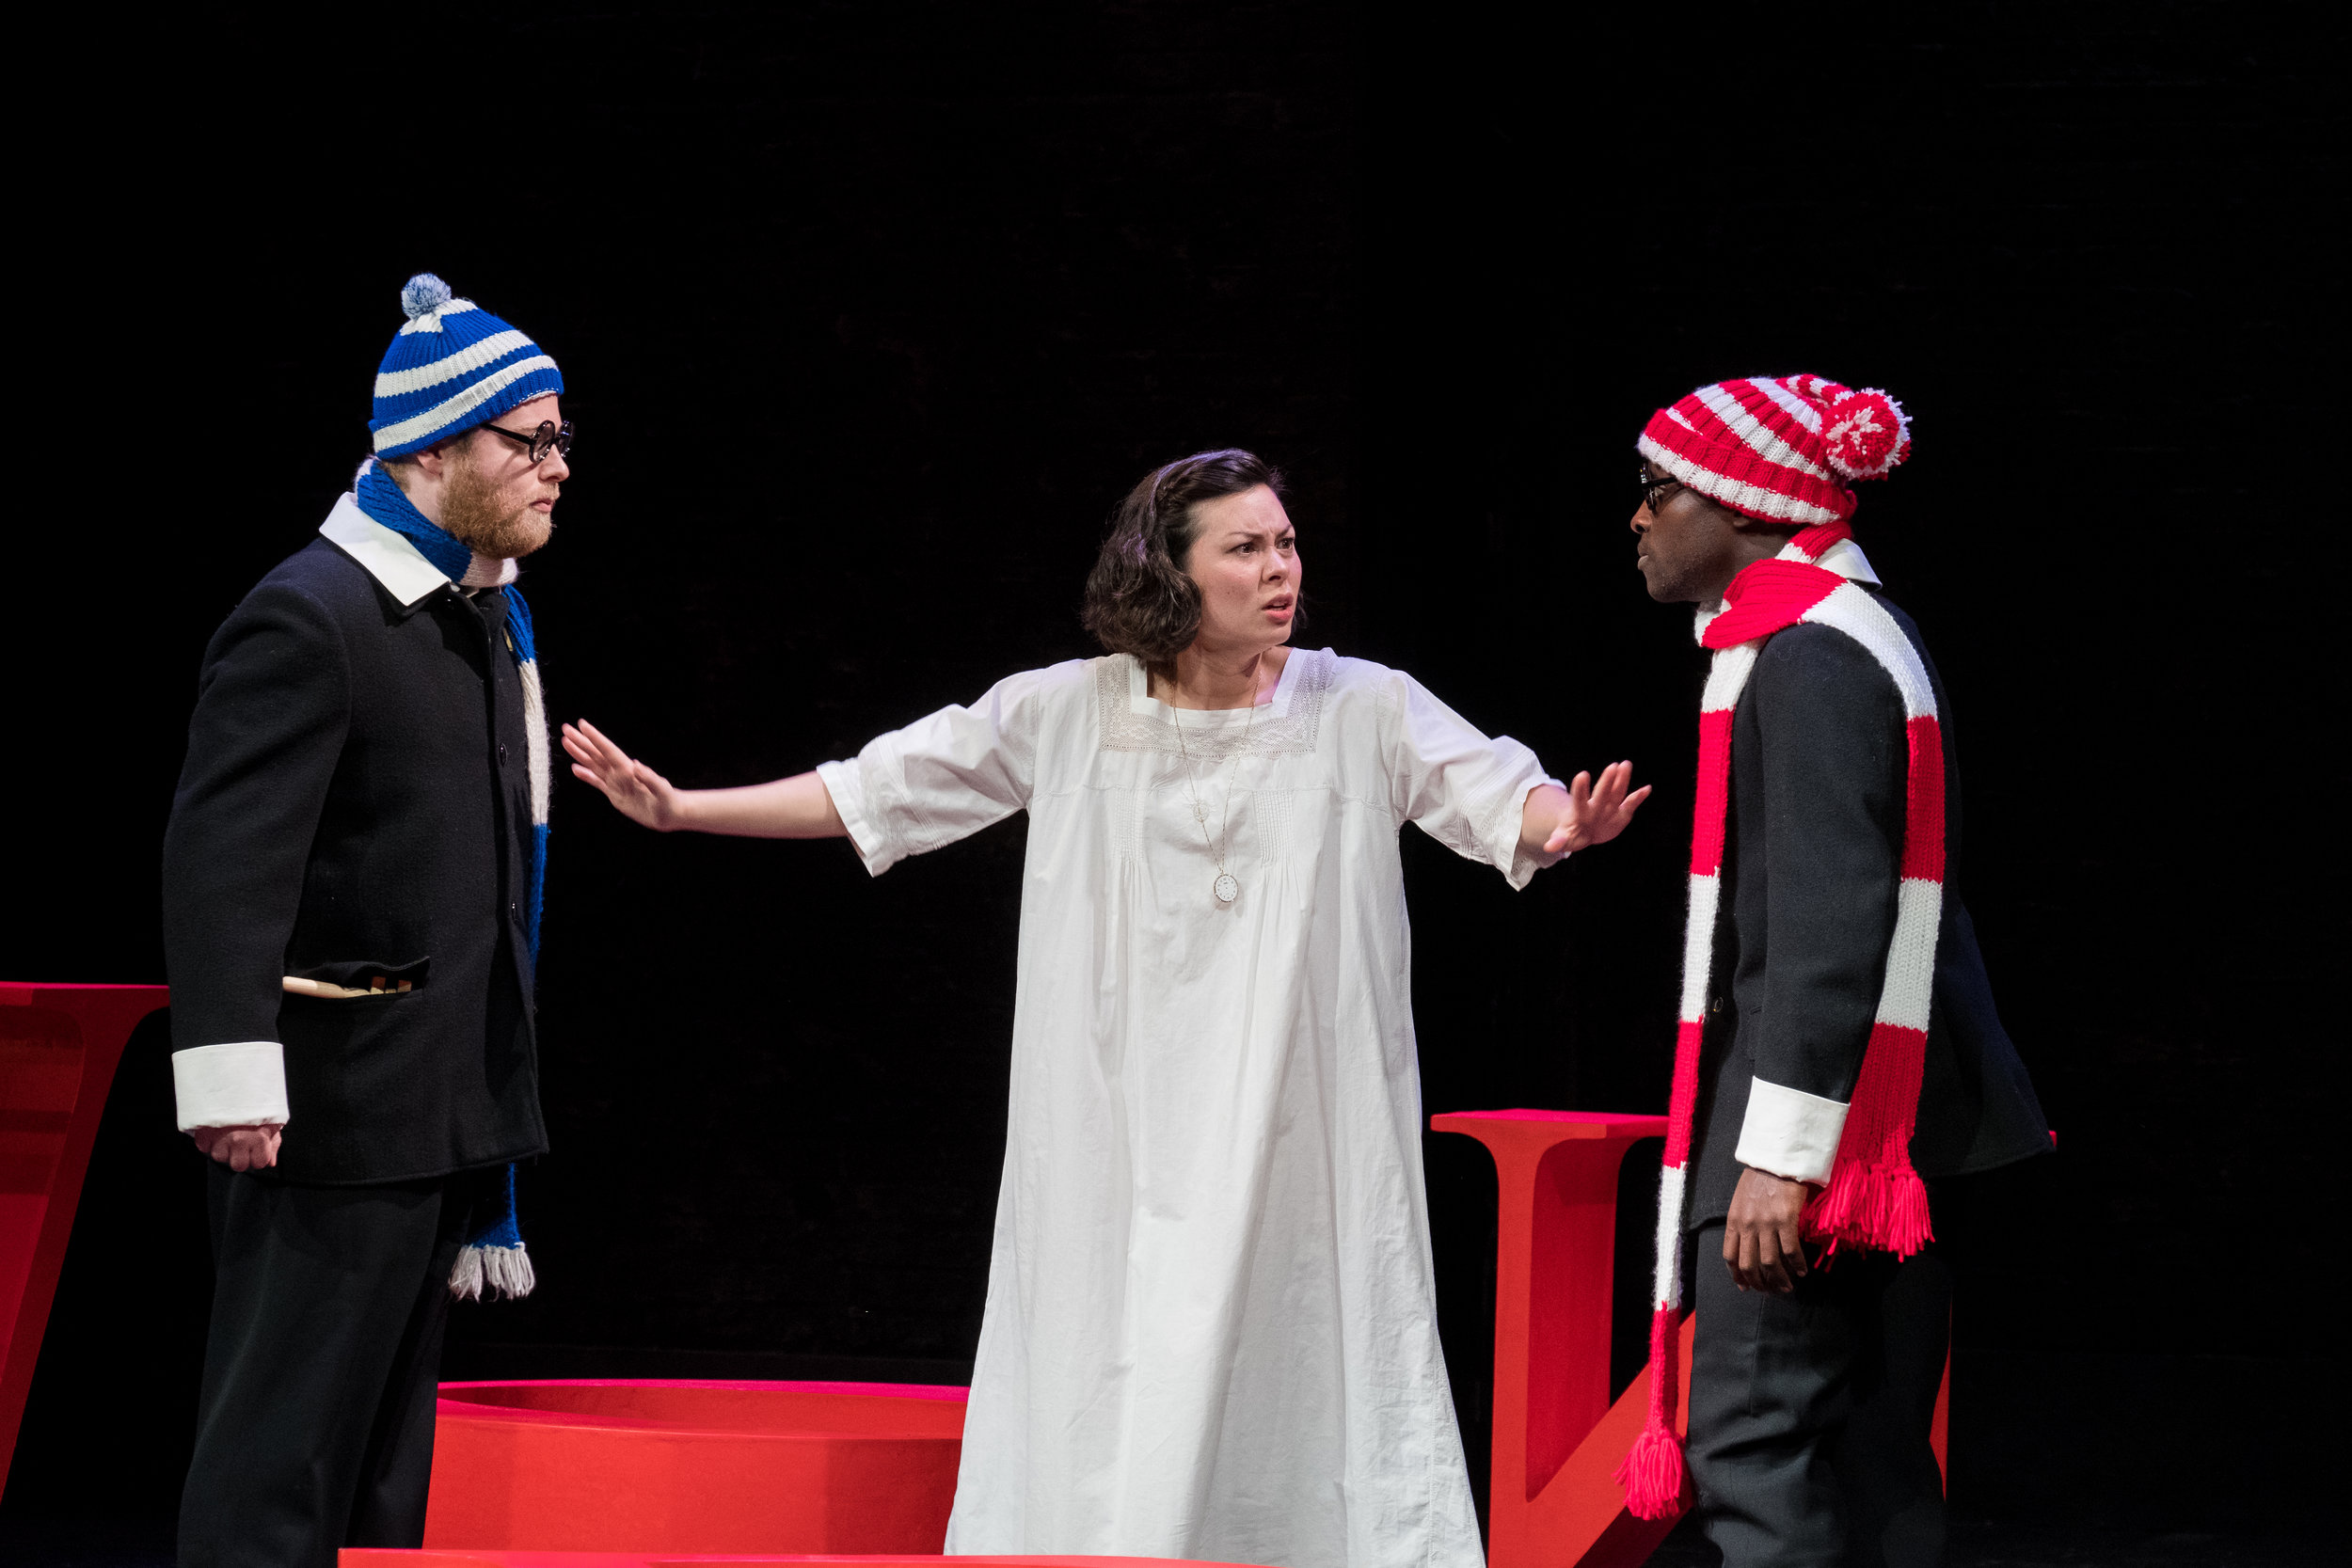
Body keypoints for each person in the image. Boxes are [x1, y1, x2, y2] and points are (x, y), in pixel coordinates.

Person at [564, 449, 1648, 1568]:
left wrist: (1555, 823)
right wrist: (685, 806)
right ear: (1168, 573)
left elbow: (1492, 791)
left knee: (1309, 1359)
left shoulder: (1360, 704)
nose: (1280, 568)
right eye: (1245, 547)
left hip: (1304, 1138)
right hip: (1113, 1137)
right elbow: (879, 785)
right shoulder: (1065, 711)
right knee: (1107, 1370)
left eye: (1285, 543)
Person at [162, 274, 571, 1566]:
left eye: (559, 440)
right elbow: (224, 858)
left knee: (384, 1474)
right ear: (434, 446)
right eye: (530, 440)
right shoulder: (315, 612)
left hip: (433, 1100)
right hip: (324, 1112)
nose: (558, 466)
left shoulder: (480, 617)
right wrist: (230, 1074)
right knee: (281, 1454)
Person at [1614, 377, 2050, 1567]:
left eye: (1660, 492)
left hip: (1823, 1134)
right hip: (1900, 1125)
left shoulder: (1808, 656)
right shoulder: (1858, 630)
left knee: (1755, 1450)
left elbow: (1827, 924)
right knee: (1869, 1464)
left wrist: (1780, 1155)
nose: (1639, 519)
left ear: (1747, 503)